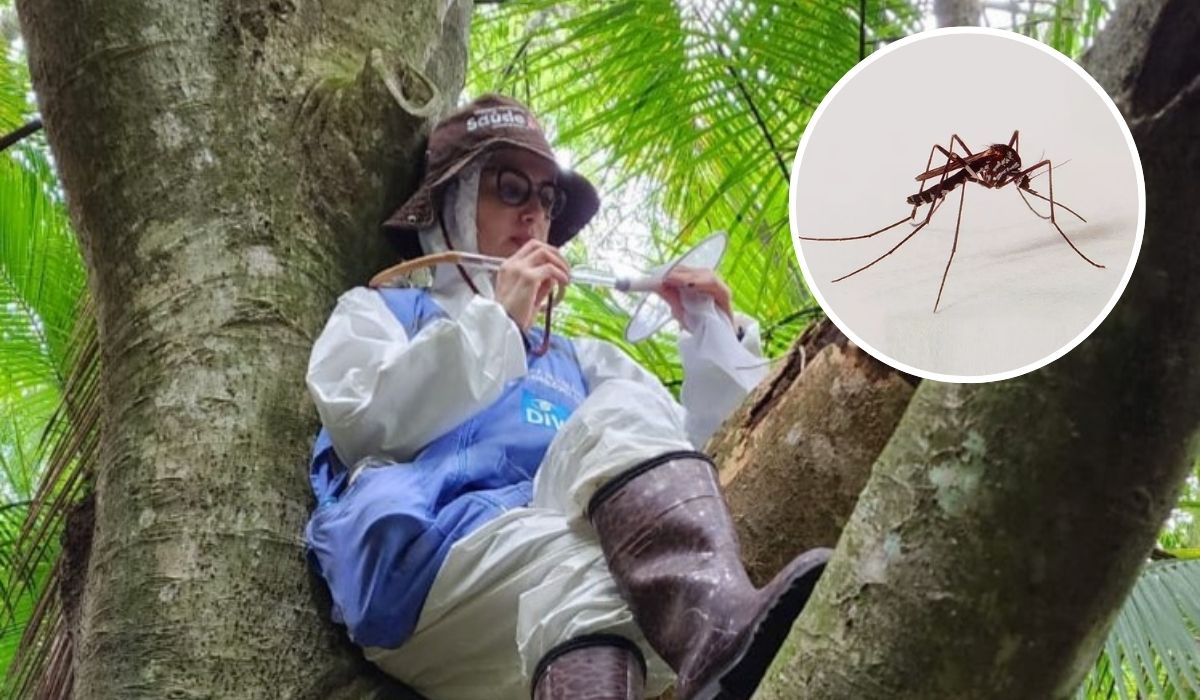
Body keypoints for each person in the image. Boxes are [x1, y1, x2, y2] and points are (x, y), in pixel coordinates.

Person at [304, 94, 830, 700]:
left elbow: (700, 459)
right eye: (509, 188)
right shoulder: (384, 311)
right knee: (584, 574)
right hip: (421, 569)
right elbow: (360, 421)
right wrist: (495, 321)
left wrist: (714, 336)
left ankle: (717, 632)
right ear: (449, 205)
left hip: (546, 583)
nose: (534, 215)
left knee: (609, 571)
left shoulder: (582, 360)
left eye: (547, 200)